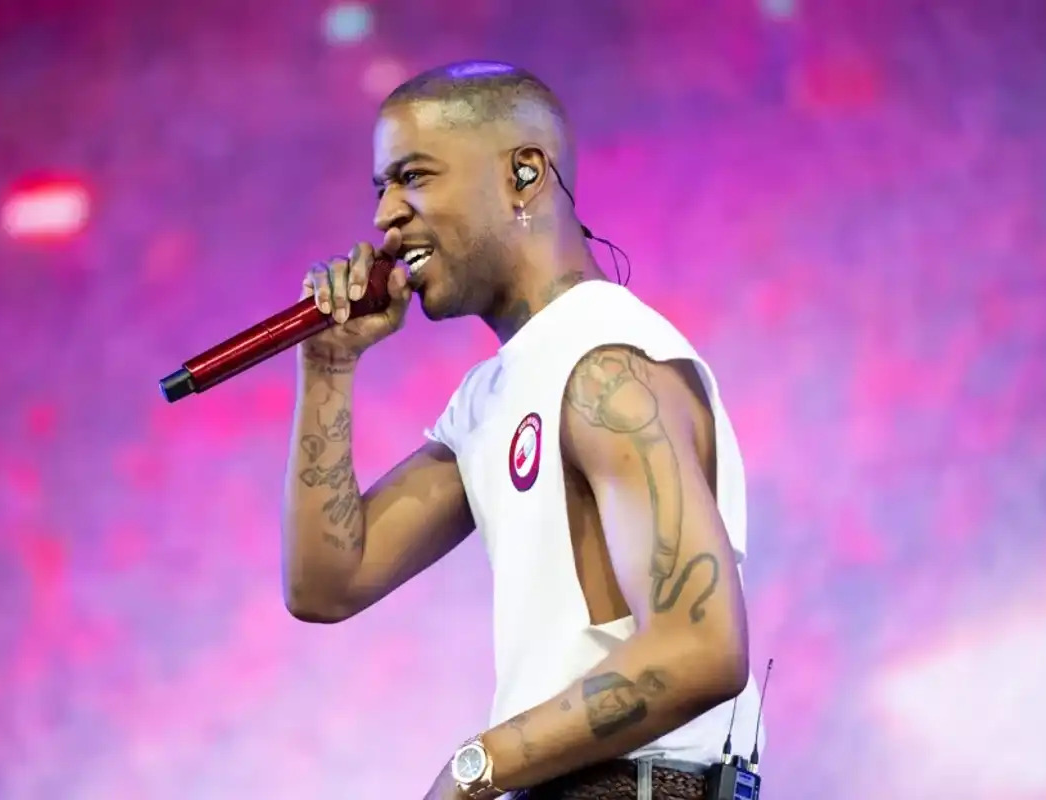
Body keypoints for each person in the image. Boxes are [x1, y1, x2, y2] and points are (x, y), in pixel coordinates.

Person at [281, 61, 762, 800]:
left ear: (524, 174)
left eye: (413, 176)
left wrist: (474, 769)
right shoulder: (495, 393)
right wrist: (329, 366)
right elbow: (328, 583)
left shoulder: (606, 366)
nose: (384, 217)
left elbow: (701, 647)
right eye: (380, 188)